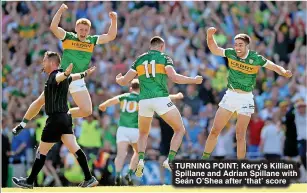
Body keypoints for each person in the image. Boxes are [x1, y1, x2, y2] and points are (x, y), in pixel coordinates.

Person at [116, 36, 203, 177]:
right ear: (162, 47)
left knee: (143, 134)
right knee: (180, 129)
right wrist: (193, 80)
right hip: (160, 99)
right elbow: (174, 77)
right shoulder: (164, 58)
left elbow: (125, 81)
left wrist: (118, 79)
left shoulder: (139, 59)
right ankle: (170, 160)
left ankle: (141, 160)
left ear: (151, 46)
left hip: (144, 101)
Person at [202, 27, 292, 160]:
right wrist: (209, 36)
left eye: (240, 45)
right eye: (236, 44)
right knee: (215, 130)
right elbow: (214, 49)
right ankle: (204, 161)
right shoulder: (231, 53)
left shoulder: (255, 58)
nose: (237, 47)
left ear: (247, 46)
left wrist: (283, 71)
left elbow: (272, 65)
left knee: (240, 134)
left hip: (245, 98)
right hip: (231, 94)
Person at [11, 51, 98, 188]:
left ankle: (29, 182)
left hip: (55, 120)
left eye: (44, 61)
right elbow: (72, 77)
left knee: (41, 151)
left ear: (52, 63)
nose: (43, 63)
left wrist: (66, 73)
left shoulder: (54, 76)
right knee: (75, 148)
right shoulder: (60, 78)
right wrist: (84, 74)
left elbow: (60, 76)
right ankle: (89, 178)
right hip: (66, 118)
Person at [99, 79, 184, 185]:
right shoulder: (143, 97)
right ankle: (129, 172)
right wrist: (176, 96)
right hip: (135, 129)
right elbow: (161, 98)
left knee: (120, 154)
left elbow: (112, 100)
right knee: (138, 153)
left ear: (131, 88)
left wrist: (103, 105)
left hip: (122, 129)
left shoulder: (125, 96)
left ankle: (118, 175)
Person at [50, 3, 117, 118]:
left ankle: (61, 115)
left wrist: (114, 20)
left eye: (86, 30)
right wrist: (60, 11)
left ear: (89, 31)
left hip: (78, 78)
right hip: (63, 76)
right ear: (76, 29)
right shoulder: (68, 37)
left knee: (87, 111)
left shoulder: (91, 40)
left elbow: (110, 36)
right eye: (81, 29)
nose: (83, 32)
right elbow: (53, 28)